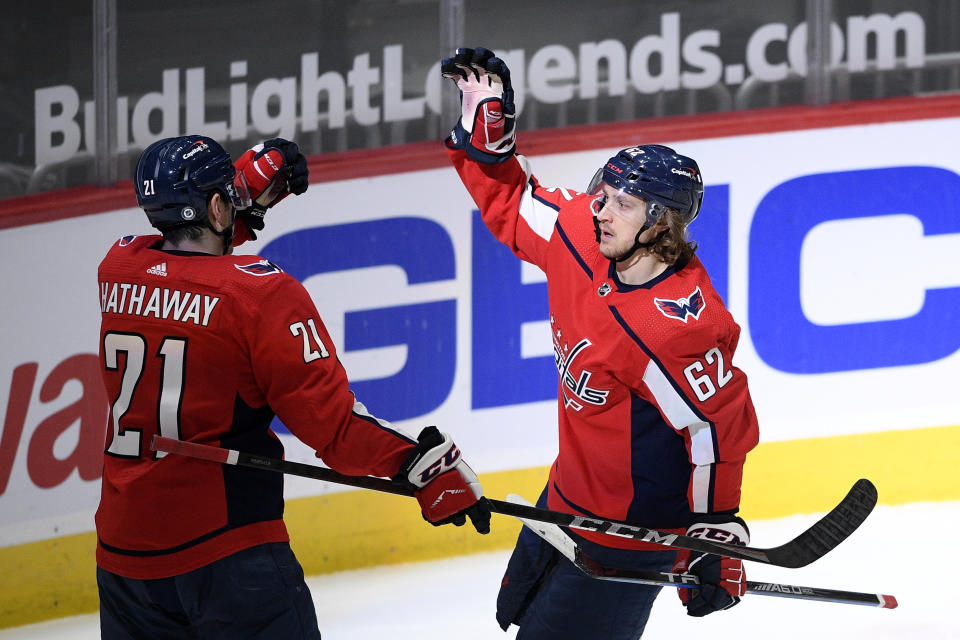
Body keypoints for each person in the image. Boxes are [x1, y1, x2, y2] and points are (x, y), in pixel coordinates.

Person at [95, 134, 491, 639]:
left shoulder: (118, 267)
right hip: (228, 557)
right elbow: (334, 429)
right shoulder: (262, 295)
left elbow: (192, 259)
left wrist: (229, 199)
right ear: (218, 206)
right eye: (227, 196)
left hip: (125, 559)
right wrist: (417, 465)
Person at [440, 47, 759, 639]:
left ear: (661, 222)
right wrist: (482, 139)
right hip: (562, 499)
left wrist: (715, 528)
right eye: (604, 194)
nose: (602, 212)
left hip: (627, 539)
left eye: (623, 204)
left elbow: (714, 430)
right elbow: (512, 203)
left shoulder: (678, 326)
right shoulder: (578, 231)